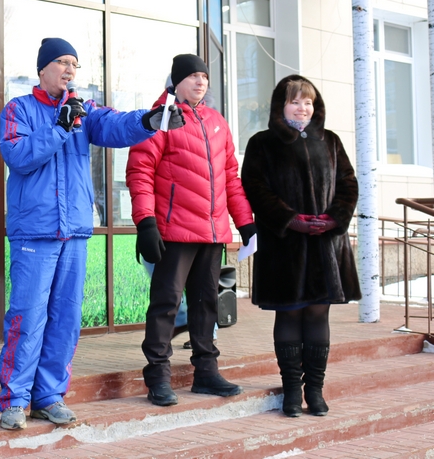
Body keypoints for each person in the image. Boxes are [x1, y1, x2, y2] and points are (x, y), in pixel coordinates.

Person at [0, 37, 184, 431]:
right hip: (35, 232)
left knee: (65, 319)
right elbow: (18, 156)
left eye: (74, 64)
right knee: (27, 317)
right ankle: (14, 400)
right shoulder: (18, 109)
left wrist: (149, 121)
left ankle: (49, 397)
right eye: (62, 62)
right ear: (43, 68)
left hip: (75, 231)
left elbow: (115, 125)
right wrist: (60, 127)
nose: (69, 70)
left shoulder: (84, 110)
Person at [125, 53, 256, 408]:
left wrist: (245, 223)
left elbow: (230, 177)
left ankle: (206, 373)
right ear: (176, 81)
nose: (200, 81)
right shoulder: (160, 118)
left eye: (204, 77)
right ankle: (157, 376)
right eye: (192, 76)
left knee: (205, 304)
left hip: (212, 232)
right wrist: (146, 222)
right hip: (174, 231)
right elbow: (140, 172)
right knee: (165, 304)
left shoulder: (216, 122)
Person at [241, 75, 359, 417]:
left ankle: (315, 391)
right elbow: (255, 187)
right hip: (284, 247)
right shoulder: (263, 143)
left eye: (308, 102)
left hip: (326, 246)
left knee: (319, 312)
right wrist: (291, 220)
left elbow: (348, 184)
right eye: (295, 101)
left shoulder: (331, 141)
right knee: (290, 312)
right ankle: (292, 391)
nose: (302, 108)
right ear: (281, 106)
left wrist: (334, 219)